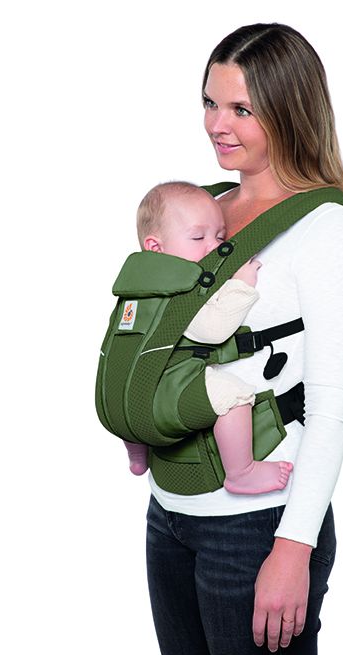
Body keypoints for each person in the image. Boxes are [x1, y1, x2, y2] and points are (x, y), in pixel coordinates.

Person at [144, 23, 343, 655]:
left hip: (258, 527)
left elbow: (330, 405)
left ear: (289, 110)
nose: (217, 125)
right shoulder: (203, 210)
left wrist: (294, 546)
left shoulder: (327, 228)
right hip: (171, 510)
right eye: (210, 102)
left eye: (241, 109)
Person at [123, 180, 293, 494]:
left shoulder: (135, 284)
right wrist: (241, 285)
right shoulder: (176, 288)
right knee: (234, 396)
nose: (214, 247)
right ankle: (241, 472)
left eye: (219, 236)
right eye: (198, 237)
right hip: (165, 390)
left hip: (125, 398)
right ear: (155, 248)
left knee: (128, 390)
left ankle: (137, 452)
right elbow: (213, 330)